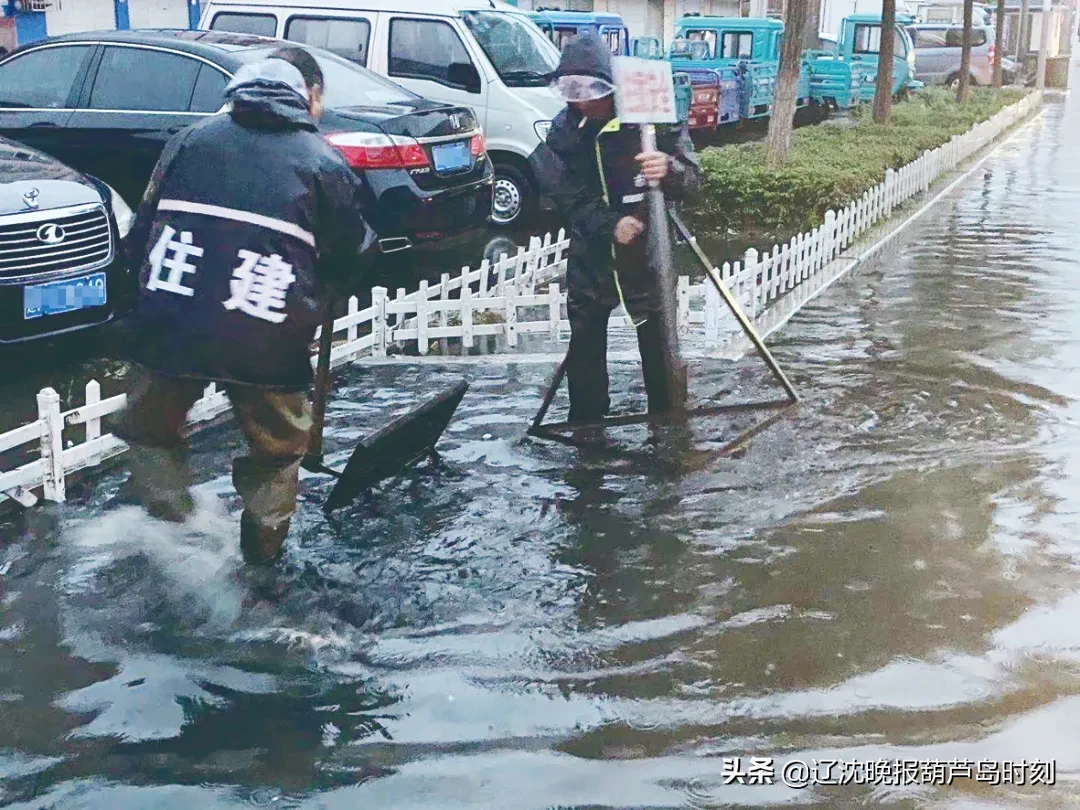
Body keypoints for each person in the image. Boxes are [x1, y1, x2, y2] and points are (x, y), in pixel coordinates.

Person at [116, 46, 376, 564]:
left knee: (149, 430)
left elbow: (140, 234)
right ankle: (260, 561)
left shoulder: (188, 141)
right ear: (310, 97)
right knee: (277, 454)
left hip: (170, 323)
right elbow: (355, 251)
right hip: (265, 333)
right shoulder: (323, 161)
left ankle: (174, 541)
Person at [531, 33, 701, 425]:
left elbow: (693, 179)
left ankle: (667, 424)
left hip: (647, 253)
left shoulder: (651, 118)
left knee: (656, 340)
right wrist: (610, 225)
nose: (580, 101)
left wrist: (669, 169)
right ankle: (587, 432)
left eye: (588, 89)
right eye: (569, 90)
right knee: (586, 343)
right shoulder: (564, 132)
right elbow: (567, 195)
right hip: (592, 253)